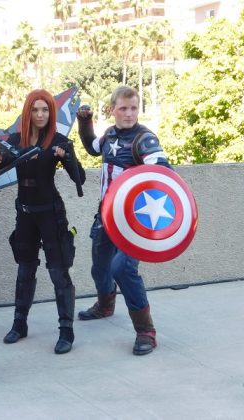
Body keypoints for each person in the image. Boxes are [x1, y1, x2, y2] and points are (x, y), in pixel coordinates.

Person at [76, 85, 173, 356]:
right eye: (123, 108)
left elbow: (161, 167)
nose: (129, 114)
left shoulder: (145, 139)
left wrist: (160, 171)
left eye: (133, 108)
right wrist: (84, 121)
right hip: (106, 215)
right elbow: (92, 147)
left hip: (134, 222)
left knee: (123, 268)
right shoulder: (109, 135)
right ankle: (105, 304)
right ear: (112, 110)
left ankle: (146, 331)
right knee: (100, 265)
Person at [0, 89, 86, 355]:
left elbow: (79, 177)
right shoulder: (15, 141)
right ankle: (19, 324)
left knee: (59, 272)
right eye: (35, 110)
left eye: (45, 110)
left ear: (51, 113)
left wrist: (66, 157)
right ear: (28, 113)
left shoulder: (58, 141)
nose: (40, 114)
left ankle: (66, 331)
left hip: (51, 213)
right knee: (25, 269)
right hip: (25, 212)